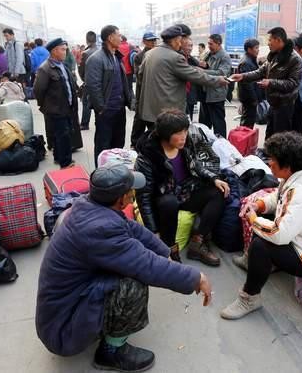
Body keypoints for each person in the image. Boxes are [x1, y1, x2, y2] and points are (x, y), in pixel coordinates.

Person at [35, 164, 212, 371]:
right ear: (121, 199)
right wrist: (195, 277)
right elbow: (147, 266)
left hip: (67, 308)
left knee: (129, 268)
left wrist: (165, 253)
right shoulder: (101, 229)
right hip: (63, 330)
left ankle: (102, 329)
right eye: (131, 191)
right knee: (133, 284)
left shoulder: (89, 205)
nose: (134, 194)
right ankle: (110, 353)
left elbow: (132, 228)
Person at [221, 132, 302, 320]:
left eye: (272, 160)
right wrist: (259, 206)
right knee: (262, 224)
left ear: (287, 167)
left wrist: (253, 218)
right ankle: (253, 262)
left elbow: (279, 235)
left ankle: (250, 297)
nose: (268, 163)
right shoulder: (299, 171)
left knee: (261, 244)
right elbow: (280, 197)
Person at [135, 109, 230, 265]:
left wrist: (214, 179)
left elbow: (196, 165)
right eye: (179, 133)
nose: (184, 136)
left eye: (185, 131)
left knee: (218, 191)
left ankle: (197, 242)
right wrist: (154, 232)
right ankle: (169, 248)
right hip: (163, 198)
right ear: (165, 134)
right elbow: (144, 197)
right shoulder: (147, 157)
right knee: (168, 202)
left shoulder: (185, 144)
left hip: (186, 191)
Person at [136, 25, 227, 127]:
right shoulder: (175, 57)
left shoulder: (149, 53)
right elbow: (195, 76)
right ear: (175, 40)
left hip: (149, 111)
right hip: (167, 113)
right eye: (181, 40)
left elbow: (140, 78)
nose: (181, 44)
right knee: (168, 141)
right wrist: (218, 80)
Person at [231, 27, 302, 139]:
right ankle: (269, 156)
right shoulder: (274, 55)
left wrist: (271, 82)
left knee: (280, 138)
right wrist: (242, 76)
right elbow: (261, 71)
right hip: (273, 103)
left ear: (278, 40)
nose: (268, 44)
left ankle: (277, 156)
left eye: (269, 40)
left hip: (284, 104)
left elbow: (293, 83)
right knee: (269, 136)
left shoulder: (294, 59)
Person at [85, 25, 134, 167]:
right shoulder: (96, 59)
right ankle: (101, 176)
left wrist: (129, 100)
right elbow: (93, 86)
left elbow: (124, 83)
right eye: (118, 35)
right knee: (103, 146)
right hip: (106, 111)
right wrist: (101, 108)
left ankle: (116, 173)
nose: (120, 38)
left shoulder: (116, 57)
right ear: (110, 38)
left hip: (119, 109)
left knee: (118, 144)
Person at [34, 38, 83, 168]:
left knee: (60, 134)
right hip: (56, 108)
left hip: (66, 107)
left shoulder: (62, 66)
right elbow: (38, 90)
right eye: (63, 49)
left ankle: (58, 157)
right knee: (63, 135)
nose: (65, 52)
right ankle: (65, 162)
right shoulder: (45, 69)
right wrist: (47, 106)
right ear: (54, 51)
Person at [198, 34, 232, 137]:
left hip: (216, 95)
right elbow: (205, 65)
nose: (208, 46)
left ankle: (221, 145)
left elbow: (222, 73)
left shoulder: (224, 56)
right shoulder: (209, 54)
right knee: (204, 123)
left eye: (211, 44)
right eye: (208, 43)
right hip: (205, 93)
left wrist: (204, 71)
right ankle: (205, 146)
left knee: (218, 124)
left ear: (219, 43)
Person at [130, 32, 159, 148]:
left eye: (154, 40)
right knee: (139, 120)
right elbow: (139, 74)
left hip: (155, 94)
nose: (153, 42)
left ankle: (152, 145)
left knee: (154, 122)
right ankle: (135, 143)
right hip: (142, 93)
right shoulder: (139, 56)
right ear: (144, 41)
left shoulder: (158, 54)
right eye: (150, 40)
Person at [237, 38, 263, 128]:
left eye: (258, 47)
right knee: (247, 122)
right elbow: (247, 84)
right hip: (249, 99)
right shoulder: (246, 62)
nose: (258, 50)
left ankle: (245, 139)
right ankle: (243, 140)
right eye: (256, 48)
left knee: (248, 121)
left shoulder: (251, 59)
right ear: (249, 49)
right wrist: (254, 99)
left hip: (250, 98)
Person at [78, 30, 98, 130]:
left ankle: (85, 123)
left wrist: (84, 79)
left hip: (89, 83)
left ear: (87, 40)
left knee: (86, 103)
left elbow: (81, 70)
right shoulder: (101, 50)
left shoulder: (85, 53)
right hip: (100, 83)